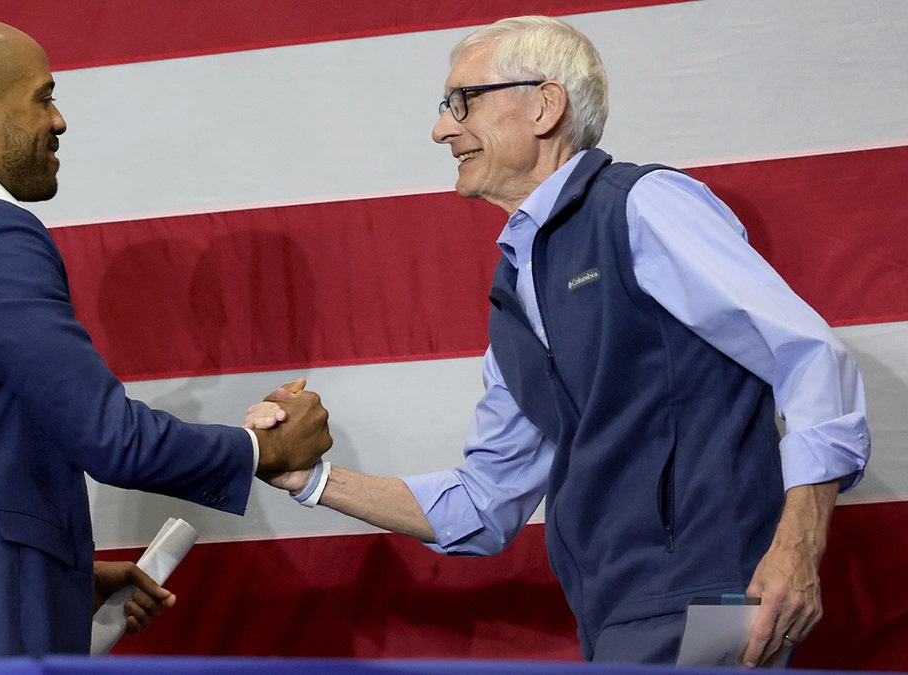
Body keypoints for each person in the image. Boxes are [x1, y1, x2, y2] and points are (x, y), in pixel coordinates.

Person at [251, 15, 870, 667]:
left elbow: (809, 357)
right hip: (617, 621)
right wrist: (310, 478)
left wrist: (799, 543)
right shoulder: (516, 290)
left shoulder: (643, 205)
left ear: (545, 105)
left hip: (717, 602)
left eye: (463, 101)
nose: (441, 128)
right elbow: (485, 502)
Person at [0, 19, 331, 667]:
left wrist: (61, 579)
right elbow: (110, 438)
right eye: (43, 97)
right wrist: (265, 447)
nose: (58, 120)